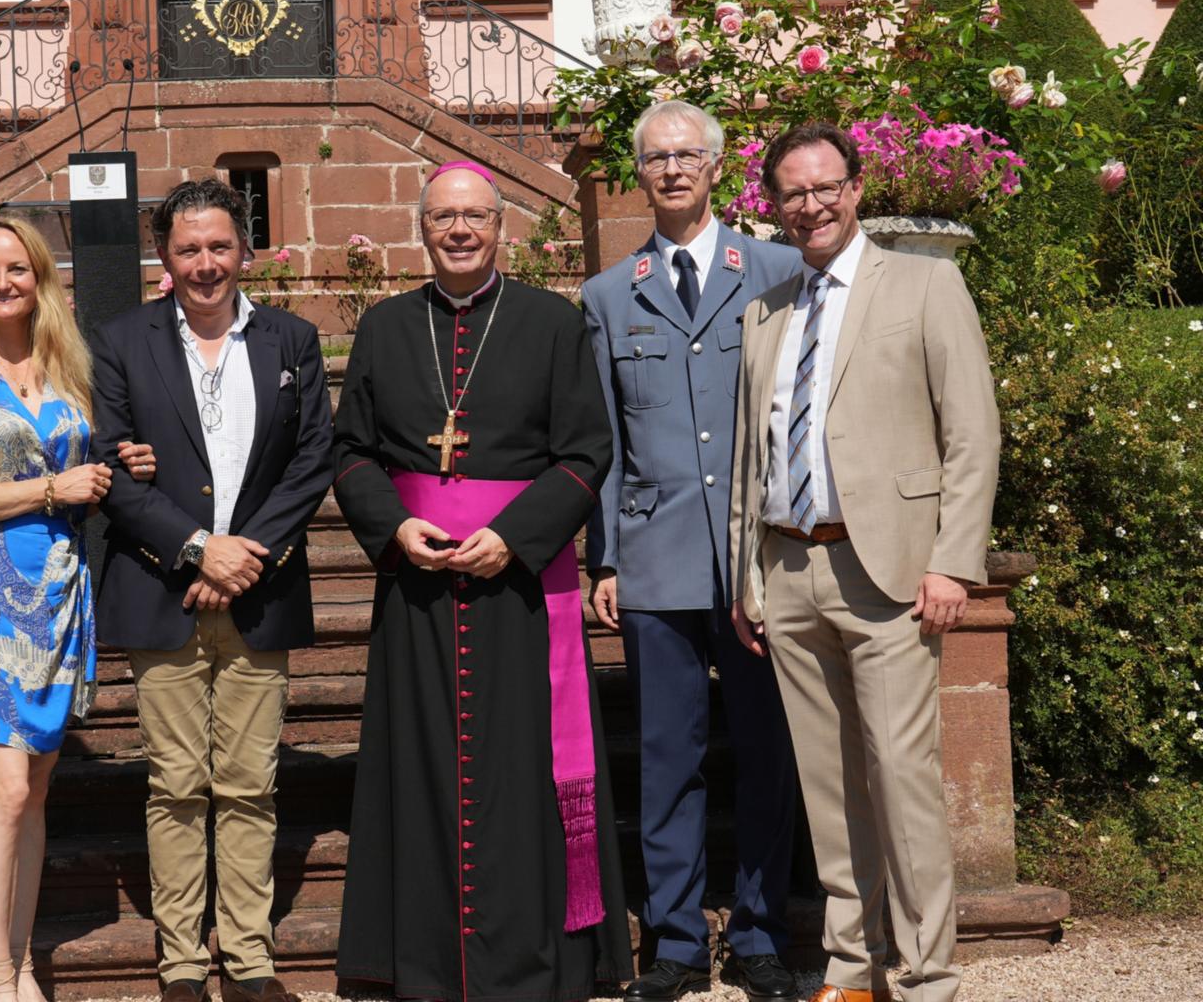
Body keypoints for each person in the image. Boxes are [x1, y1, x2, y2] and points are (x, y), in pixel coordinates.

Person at [333, 160, 634, 1001]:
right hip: (418, 586)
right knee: (420, 770)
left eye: (474, 216)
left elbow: (586, 452)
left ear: (503, 227)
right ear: (421, 229)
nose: (459, 230)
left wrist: (514, 537)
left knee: (524, 775)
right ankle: (421, 963)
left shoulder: (549, 323)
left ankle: (534, 962)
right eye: (442, 218)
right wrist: (393, 526)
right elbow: (350, 451)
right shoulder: (387, 327)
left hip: (521, 593)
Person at [727, 122, 999, 1002]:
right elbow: (749, 456)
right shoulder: (765, 310)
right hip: (790, 571)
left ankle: (926, 977)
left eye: (824, 187)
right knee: (830, 789)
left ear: (855, 188)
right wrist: (748, 576)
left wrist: (954, 562)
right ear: (773, 206)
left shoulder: (925, 283)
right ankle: (851, 970)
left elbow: (971, 434)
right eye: (791, 193)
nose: (809, 205)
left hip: (888, 574)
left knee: (903, 781)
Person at [0, 214, 158, 1002]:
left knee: (36, 793)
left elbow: (88, 471)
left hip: (60, 598)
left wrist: (121, 462)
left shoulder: (70, 372)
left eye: (18, 268)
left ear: (43, 278)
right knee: (4, 791)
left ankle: (23, 961)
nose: (2, 282)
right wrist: (49, 489)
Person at [89, 178, 334, 1002]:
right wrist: (197, 552)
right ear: (165, 256)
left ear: (246, 251)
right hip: (162, 590)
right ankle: (184, 961)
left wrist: (244, 558)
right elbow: (111, 464)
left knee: (249, 781)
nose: (205, 263)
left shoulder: (292, 342)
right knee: (176, 784)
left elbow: (312, 462)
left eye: (220, 246)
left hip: (258, 592)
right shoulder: (120, 341)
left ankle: (252, 956)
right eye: (188, 248)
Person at [582, 101, 803, 1002]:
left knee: (765, 750)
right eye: (656, 158)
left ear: (717, 167)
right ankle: (673, 944)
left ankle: (758, 935)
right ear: (640, 173)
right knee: (668, 761)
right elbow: (600, 440)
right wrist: (603, 558)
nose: (672, 170)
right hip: (657, 561)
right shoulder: (608, 292)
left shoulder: (778, 270)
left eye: (688, 155)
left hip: (759, 563)